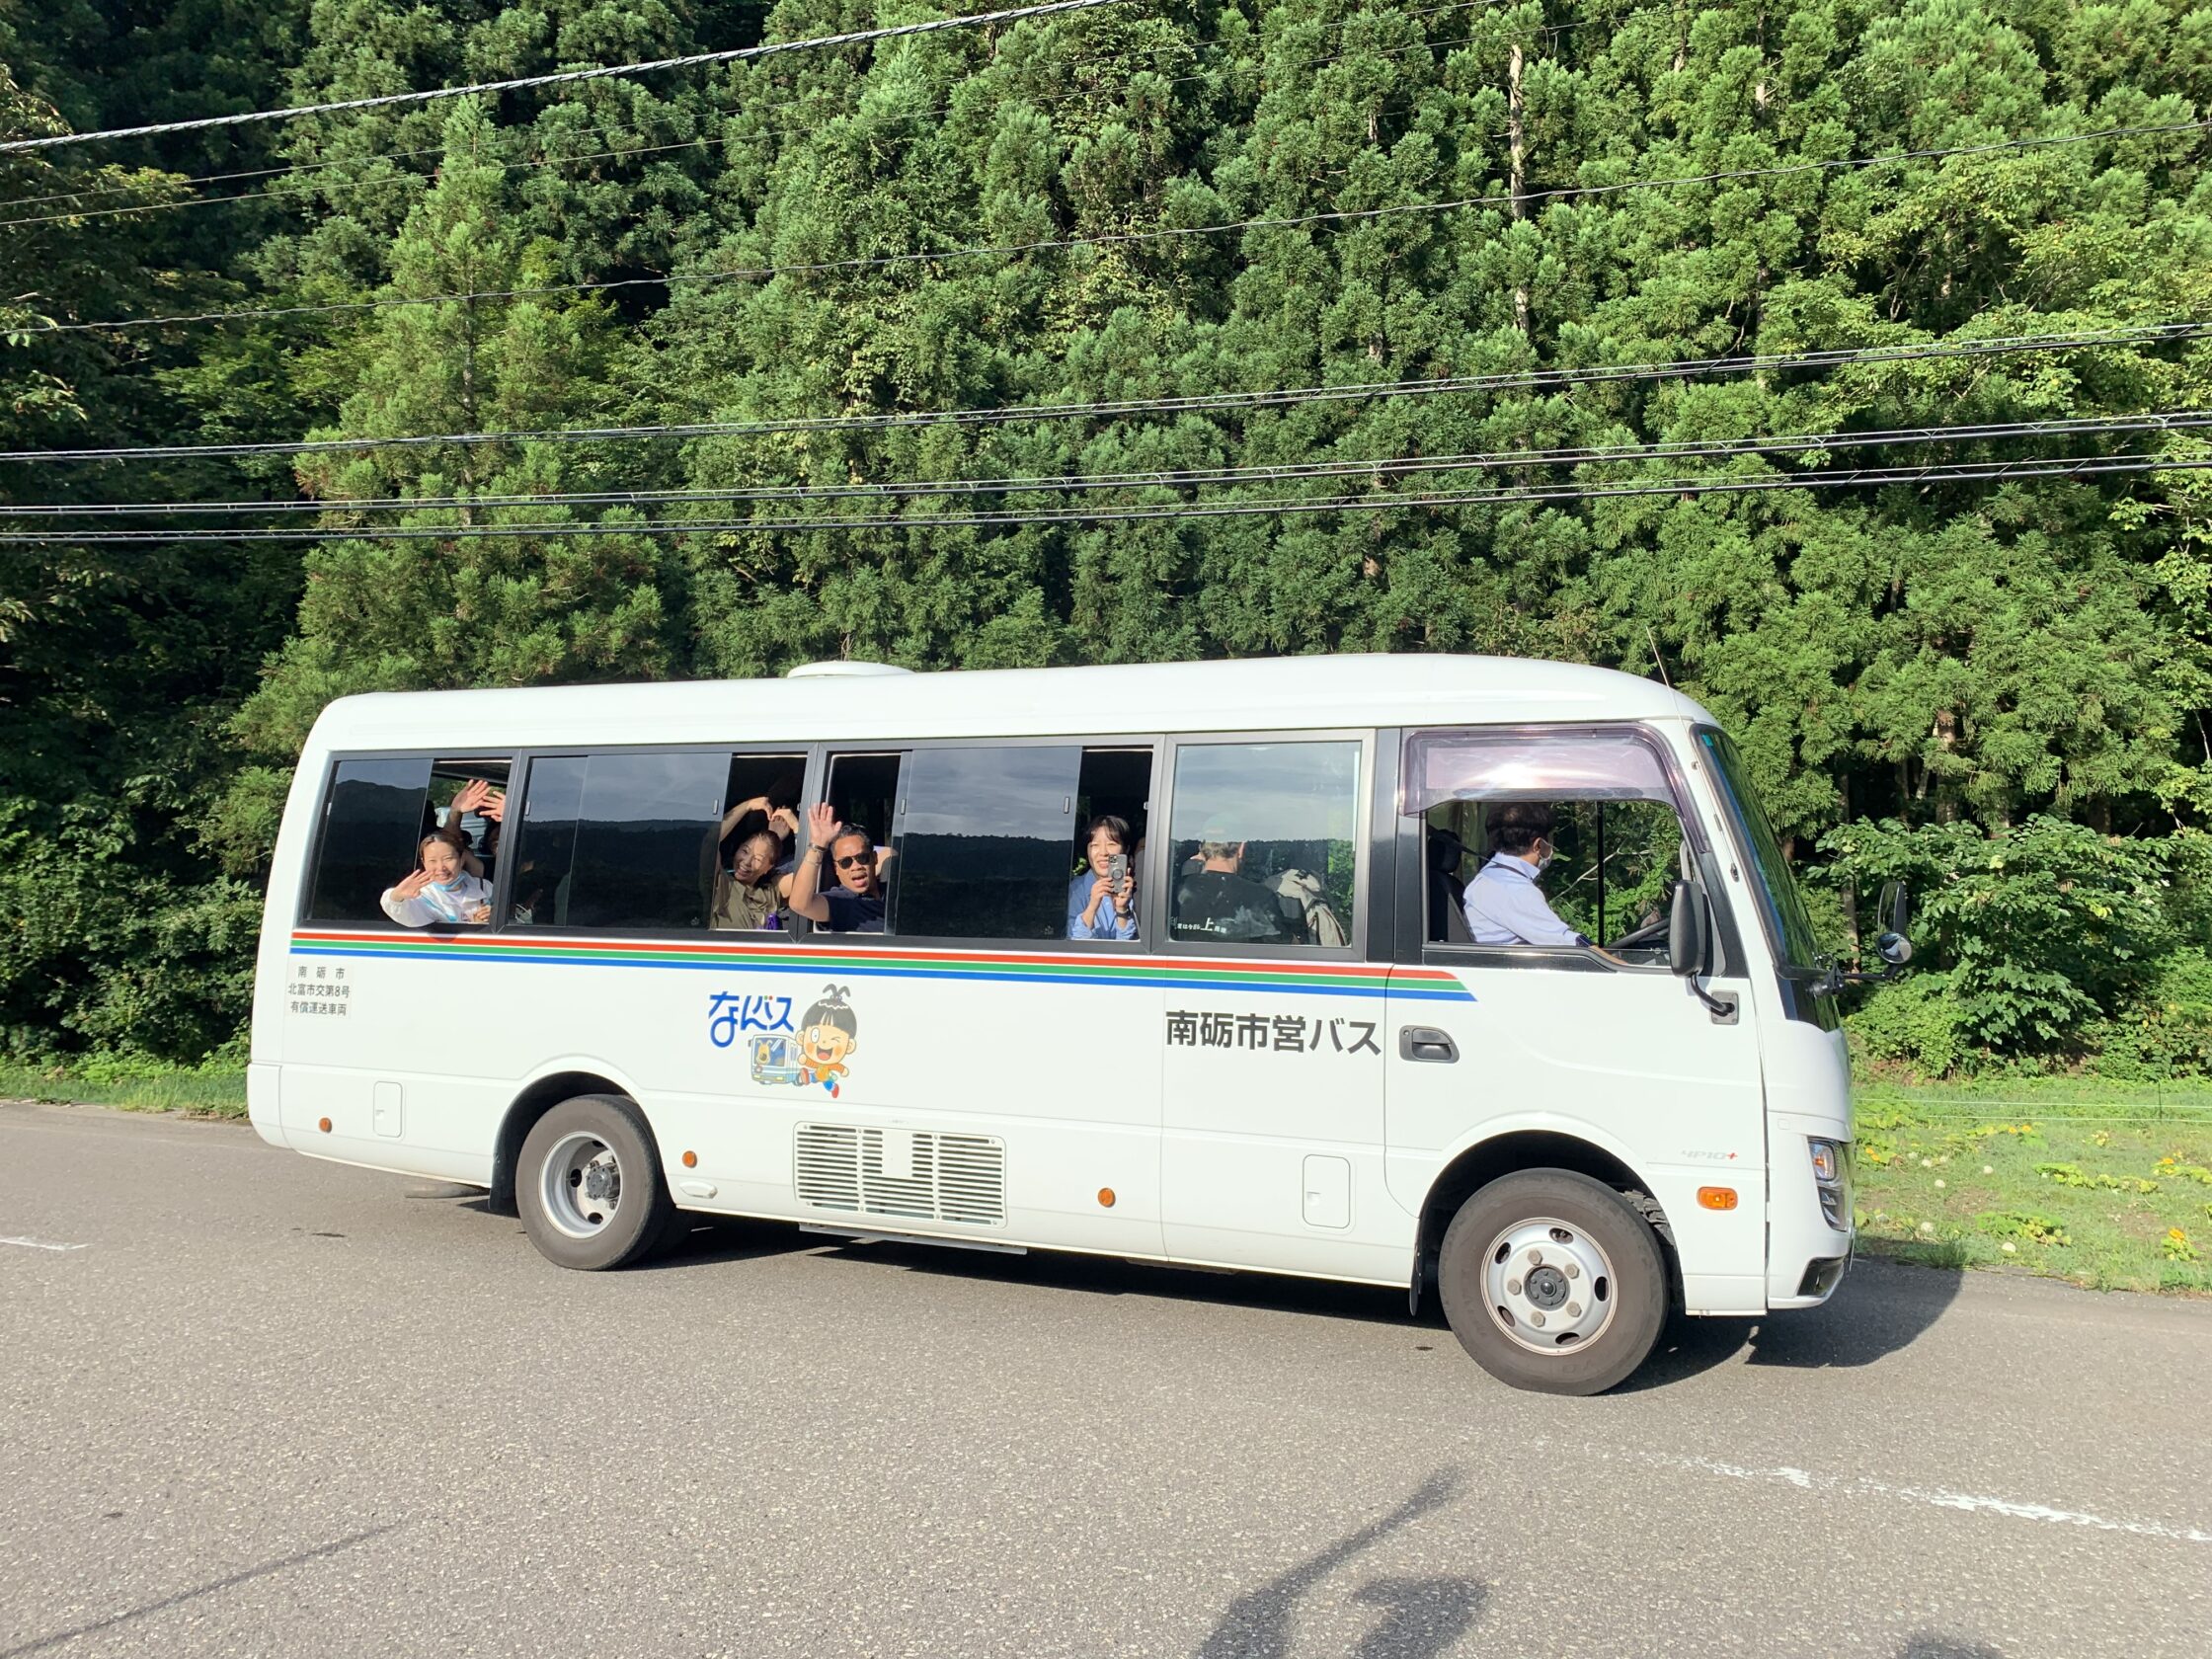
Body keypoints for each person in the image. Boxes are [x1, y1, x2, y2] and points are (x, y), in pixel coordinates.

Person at [1462, 803, 1590, 947]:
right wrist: (1618, 965)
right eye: (1550, 840)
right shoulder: (1514, 890)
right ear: (1538, 845)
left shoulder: (1489, 876)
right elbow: (1569, 944)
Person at [1172, 823, 1303, 943]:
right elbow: (1283, 948)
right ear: (1241, 848)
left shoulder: (1173, 890)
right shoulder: (1260, 897)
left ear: (1202, 849)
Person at [787, 803, 887, 933]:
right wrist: (818, 846)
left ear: (874, 858)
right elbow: (799, 904)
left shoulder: (892, 892)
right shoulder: (843, 901)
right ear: (836, 869)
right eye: (845, 862)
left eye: (862, 858)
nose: (855, 867)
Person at [380, 832, 492, 926]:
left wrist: (493, 916)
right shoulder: (421, 895)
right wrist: (397, 896)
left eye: (448, 859)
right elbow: (405, 916)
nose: (441, 868)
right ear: (424, 863)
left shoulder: (484, 887)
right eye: (432, 861)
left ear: (461, 859)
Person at [1068, 814, 1138, 939]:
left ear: (1126, 849)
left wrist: (1122, 909)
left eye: (1111, 844)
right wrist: (1093, 906)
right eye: (1095, 845)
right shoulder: (1075, 891)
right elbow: (1075, 943)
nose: (1104, 853)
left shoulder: (1135, 888)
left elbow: (1130, 950)